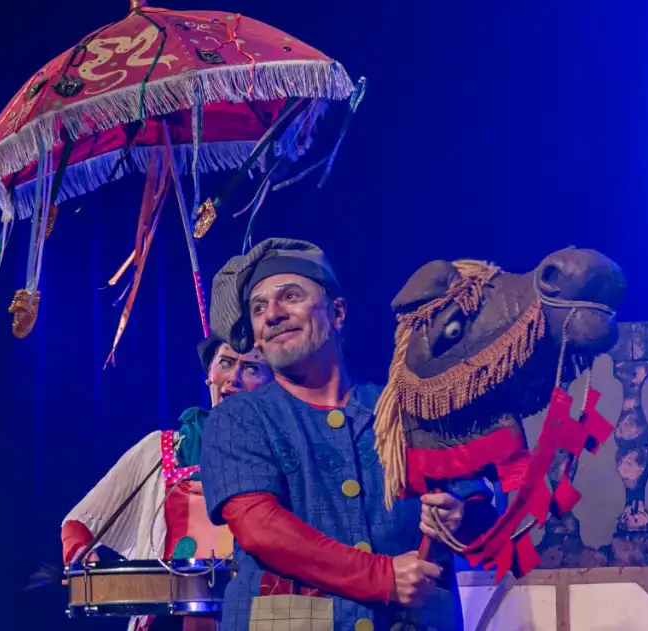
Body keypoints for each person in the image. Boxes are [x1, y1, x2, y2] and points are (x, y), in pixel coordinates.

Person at [200, 238, 494, 631]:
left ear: (337, 313)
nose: (272, 314)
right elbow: (260, 528)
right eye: (258, 307)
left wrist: (462, 514)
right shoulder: (239, 418)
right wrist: (382, 577)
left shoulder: (410, 410)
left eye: (290, 296)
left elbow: (482, 518)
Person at [61, 335, 274, 631]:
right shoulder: (161, 451)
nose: (234, 377)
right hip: (168, 620)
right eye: (225, 362)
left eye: (252, 368)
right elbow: (79, 524)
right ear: (209, 375)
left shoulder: (286, 457)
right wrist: (81, 556)